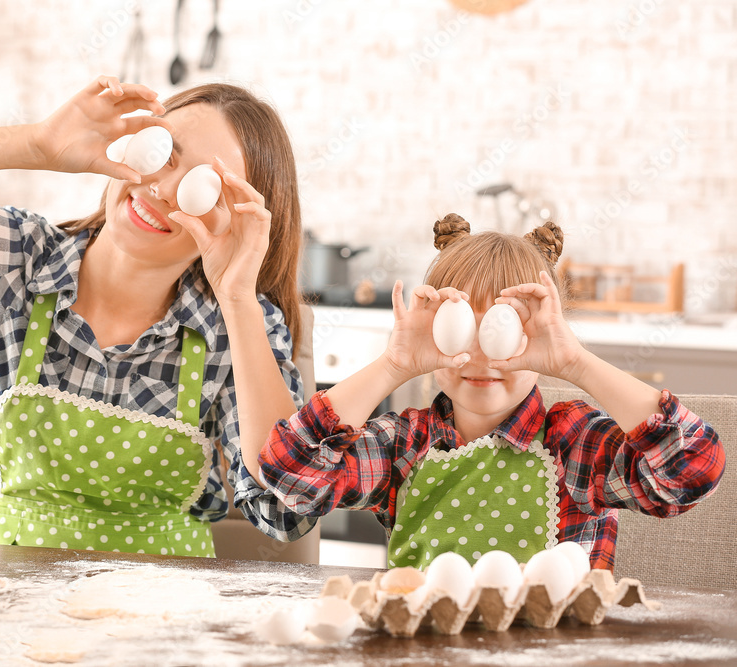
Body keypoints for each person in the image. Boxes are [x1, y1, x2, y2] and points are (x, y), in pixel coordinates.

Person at [0, 75, 317, 556]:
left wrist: (239, 301)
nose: (160, 190)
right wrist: (34, 144)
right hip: (9, 604)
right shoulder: (9, 260)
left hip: (161, 619)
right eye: (164, 155)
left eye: (202, 187)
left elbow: (284, 508)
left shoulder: (240, 323)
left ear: (241, 221)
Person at [258, 214, 725, 570]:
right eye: (463, 330)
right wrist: (392, 366)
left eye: (503, 328)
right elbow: (287, 472)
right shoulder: (404, 446)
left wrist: (575, 362)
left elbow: (691, 470)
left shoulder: (572, 445)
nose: (481, 357)